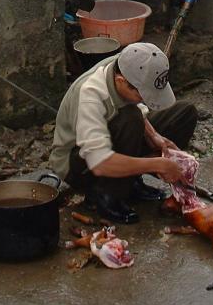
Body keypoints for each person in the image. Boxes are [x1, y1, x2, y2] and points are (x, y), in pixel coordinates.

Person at [49, 42, 198, 224]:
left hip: (115, 132)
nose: (145, 100)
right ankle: (106, 195)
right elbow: (100, 163)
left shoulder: (126, 64)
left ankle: (131, 182)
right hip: (79, 164)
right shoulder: (90, 95)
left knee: (183, 113)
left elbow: (135, 107)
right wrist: (156, 164)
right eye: (142, 95)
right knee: (130, 119)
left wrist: (155, 137)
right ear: (121, 82)